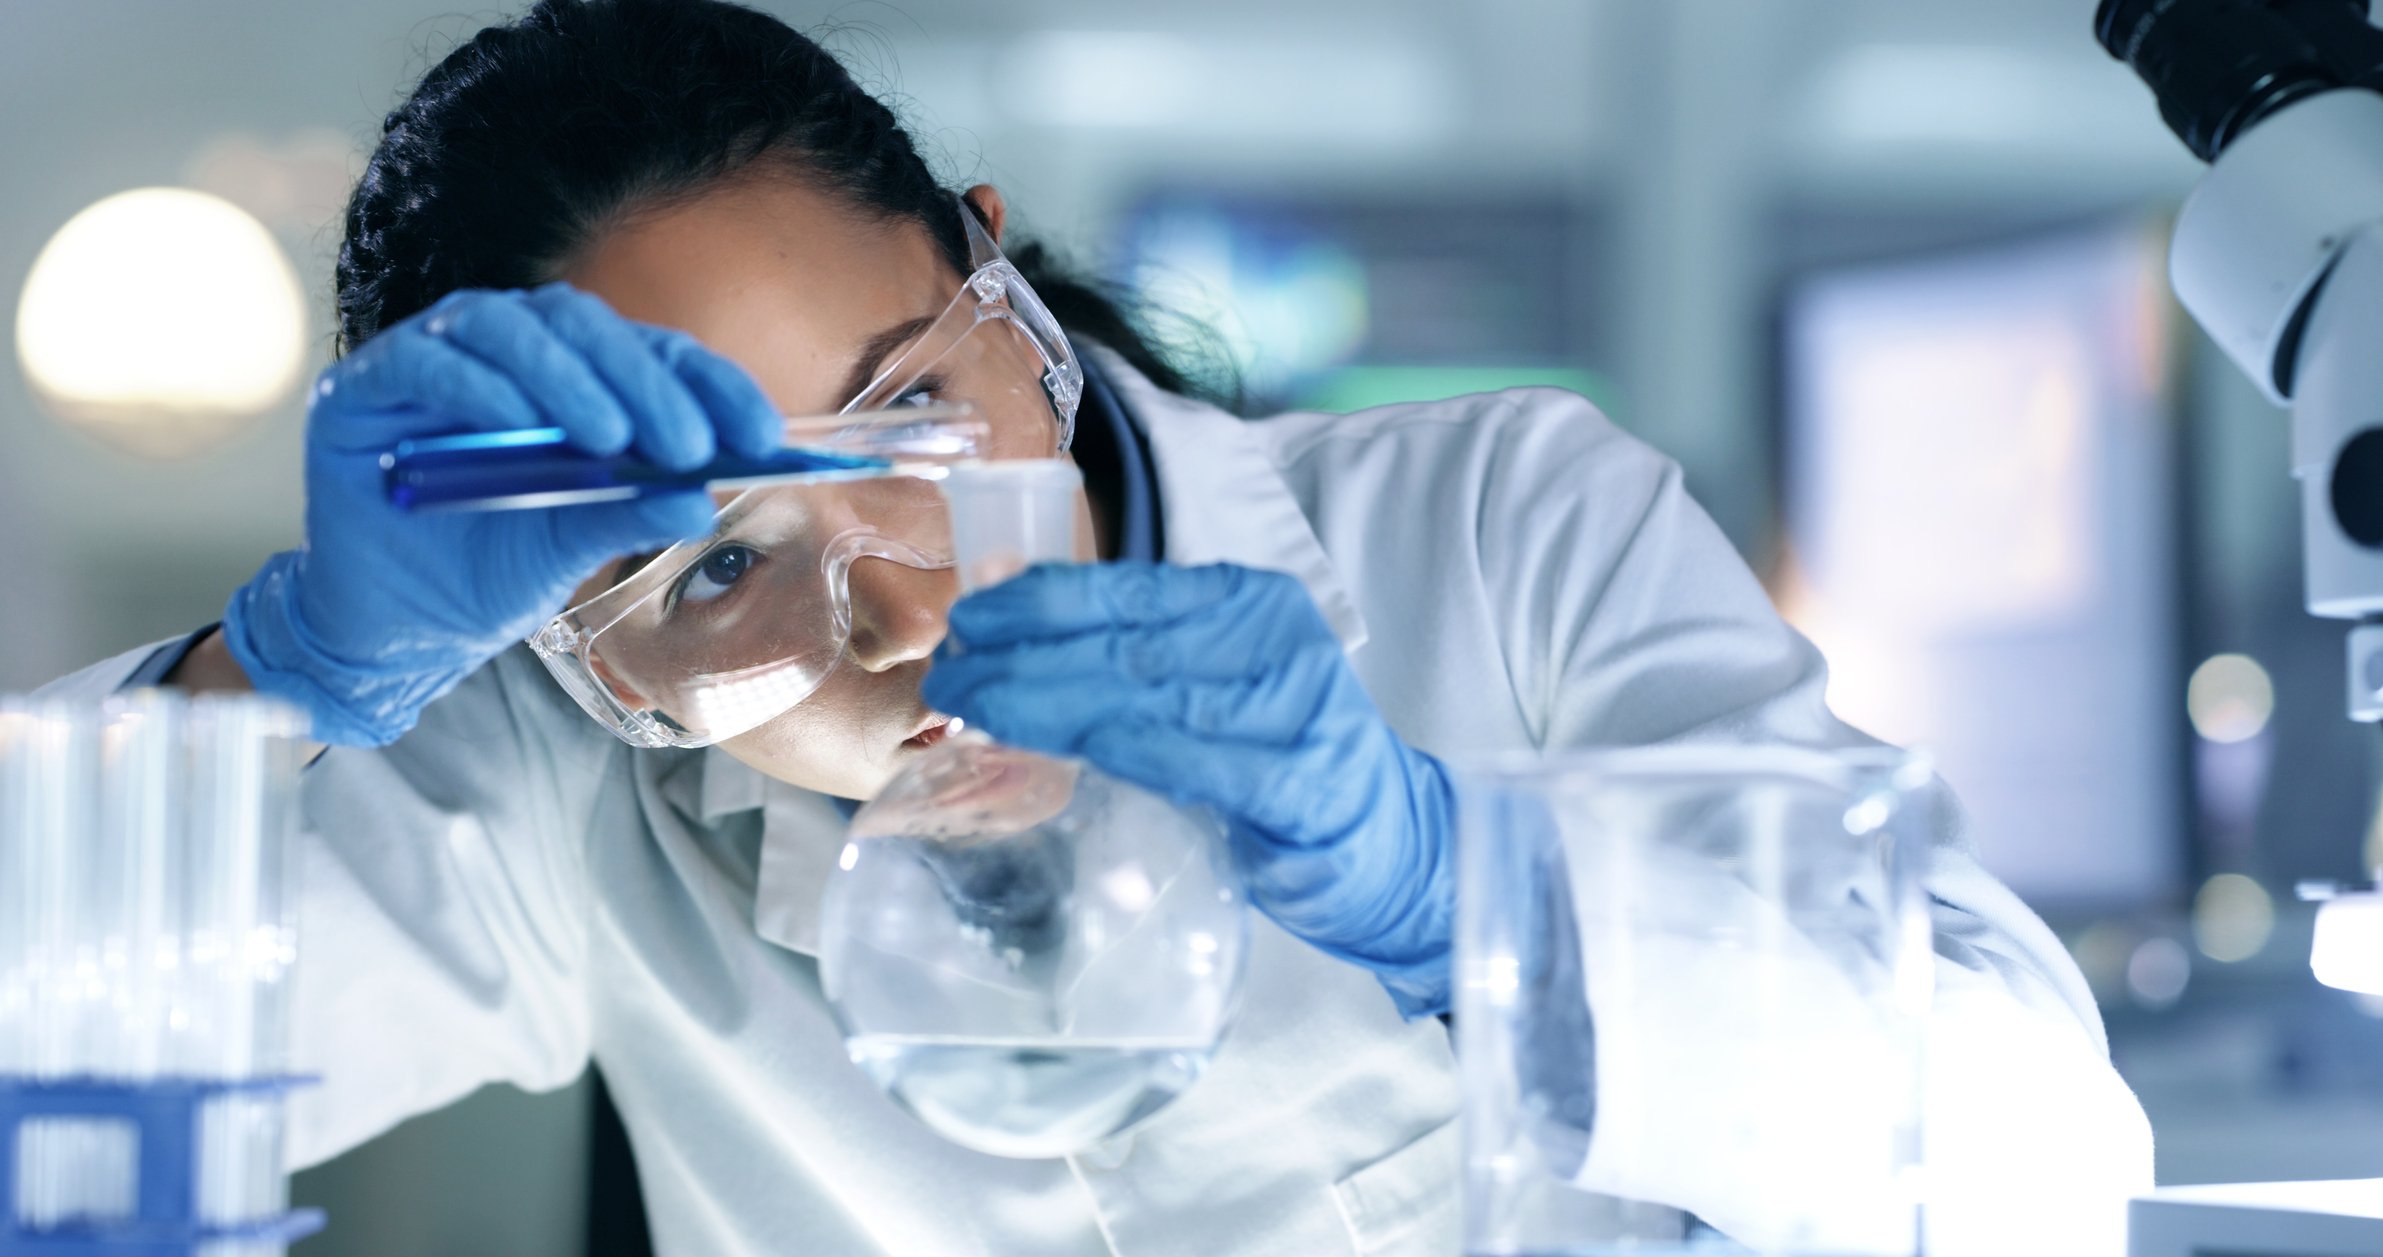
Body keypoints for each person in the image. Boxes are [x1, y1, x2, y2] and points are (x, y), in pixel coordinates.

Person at [39, 1, 2154, 1253]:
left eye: (901, 413)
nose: (898, 594)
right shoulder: (565, 775)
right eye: (703, 566)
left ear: (1001, 283)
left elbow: (2042, 1163)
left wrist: (1451, 886)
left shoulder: (1502, 524)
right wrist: (283, 669)